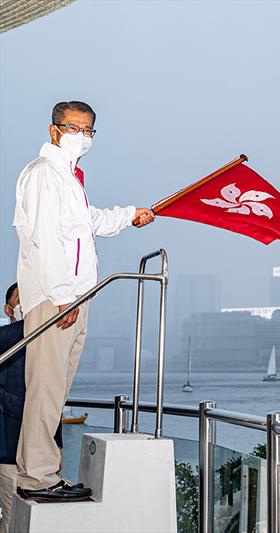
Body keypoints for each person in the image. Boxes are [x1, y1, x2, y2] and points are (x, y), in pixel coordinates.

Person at [12, 101, 154, 502]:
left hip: (74, 298)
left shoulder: (68, 179)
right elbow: (43, 242)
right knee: (45, 388)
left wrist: (130, 216)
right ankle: (37, 478)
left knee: (56, 391)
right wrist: (63, 297)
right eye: (74, 128)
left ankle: (44, 474)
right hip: (58, 300)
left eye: (89, 130)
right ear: (54, 130)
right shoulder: (43, 176)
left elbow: (89, 223)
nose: (82, 137)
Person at [0, 284, 63, 529]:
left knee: (33, 521)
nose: (26, 301)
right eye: (19, 298)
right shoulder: (10, 338)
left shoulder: (46, 342)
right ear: (8, 309)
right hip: (10, 452)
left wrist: (57, 444)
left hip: (40, 452)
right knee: (14, 518)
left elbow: (52, 400)